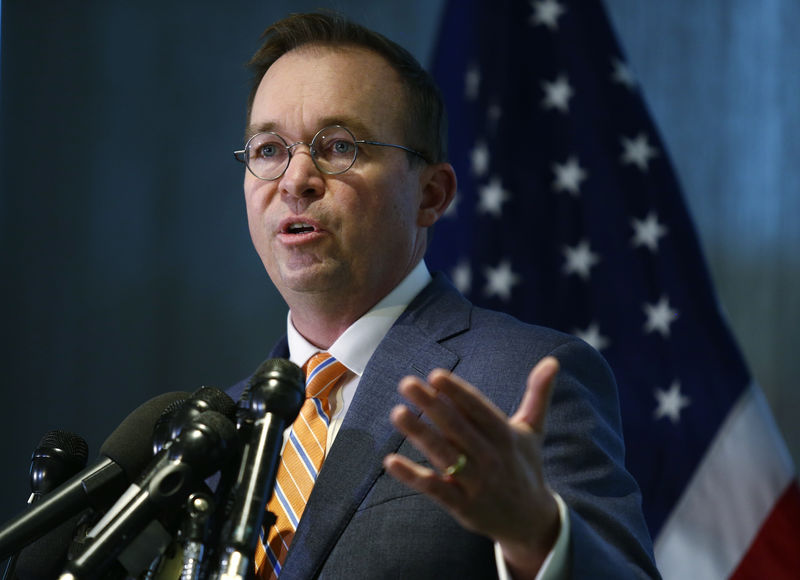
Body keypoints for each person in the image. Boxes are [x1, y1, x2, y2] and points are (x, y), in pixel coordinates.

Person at [228, 12, 660, 579]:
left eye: (338, 146)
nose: (294, 179)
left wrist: (536, 535)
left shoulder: (523, 380)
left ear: (431, 194)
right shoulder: (222, 429)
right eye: (267, 149)